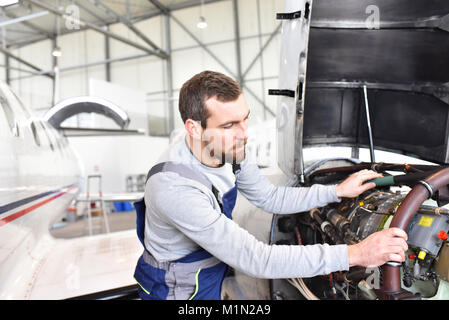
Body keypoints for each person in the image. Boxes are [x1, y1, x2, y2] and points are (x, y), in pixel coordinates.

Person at [133, 70, 408, 300]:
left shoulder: (231, 150)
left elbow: (269, 197)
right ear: (194, 129)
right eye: (229, 125)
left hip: (210, 268)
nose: (244, 134)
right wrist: (356, 253)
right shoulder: (174, 187)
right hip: (176, 287)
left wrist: (335, 191)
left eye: (245, 119)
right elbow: (257, 259)